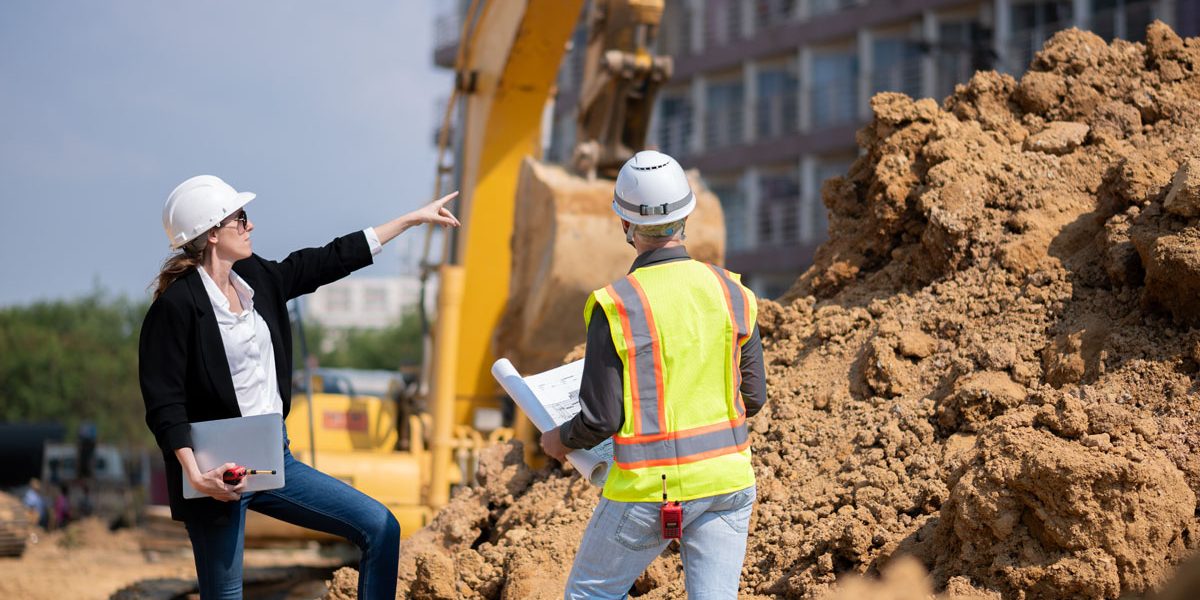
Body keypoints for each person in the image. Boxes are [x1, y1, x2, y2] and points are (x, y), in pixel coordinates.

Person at [140, 174, 459, 599]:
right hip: (219, 476)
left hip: (276, 460)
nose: (250, 225)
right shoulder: (177, 307)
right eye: (241, 218)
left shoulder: (257, 279)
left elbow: (329, 258)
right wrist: (197, 477)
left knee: (381, 527)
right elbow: (165, 403)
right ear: (213, 233)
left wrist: (409, 221)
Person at [541, 150, 767, 599]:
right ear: (687, 215)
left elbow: (601, 419)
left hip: (653, 489)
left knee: (590, 595)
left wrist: (559, 440)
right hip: (729, 483)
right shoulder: (733, 291)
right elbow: (754, 397)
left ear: (625, 225)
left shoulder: (617, 304)